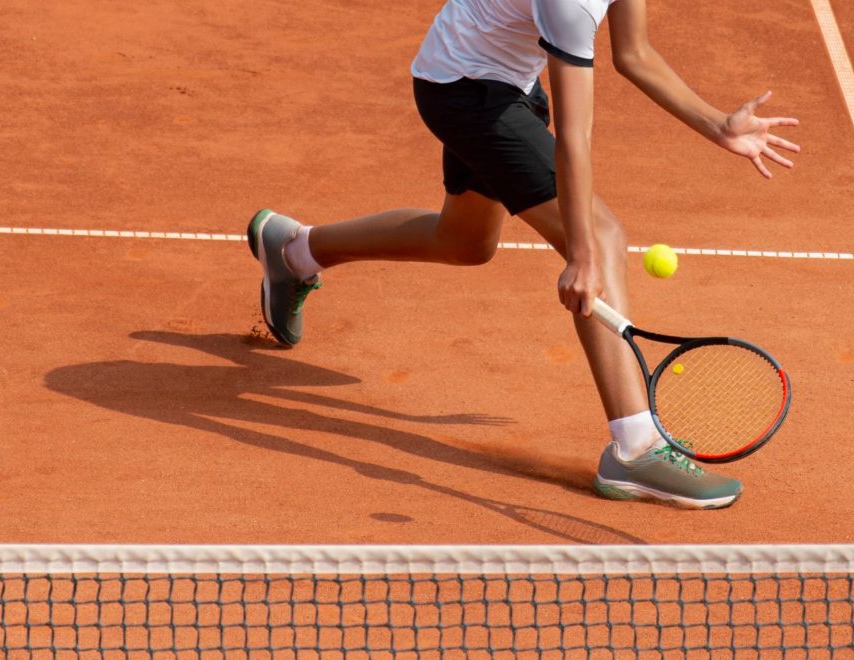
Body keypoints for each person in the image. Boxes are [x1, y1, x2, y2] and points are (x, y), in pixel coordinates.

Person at [246, 0, 799, 509]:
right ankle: (636, 449)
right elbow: (575, 137)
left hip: (497, 79)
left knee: (464, 242)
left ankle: (294, 251)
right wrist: (580, 253)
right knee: (603, 238)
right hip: (466, 92)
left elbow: (634, 53)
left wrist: (718, 126)